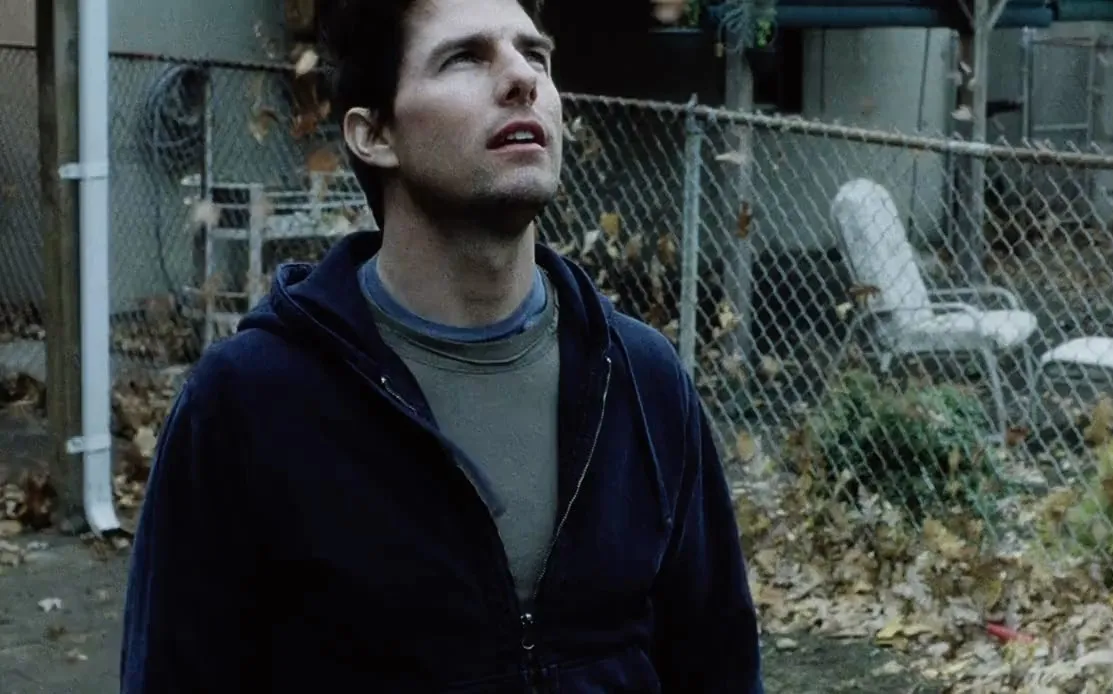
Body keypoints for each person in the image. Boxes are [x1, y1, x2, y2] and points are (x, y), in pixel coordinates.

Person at [119, 0, 763, 691]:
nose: (522, 79)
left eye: (535, 56)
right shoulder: (248, 401)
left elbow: (718, 666)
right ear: (375, 134)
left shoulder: (641, 380)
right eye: (464, 58)